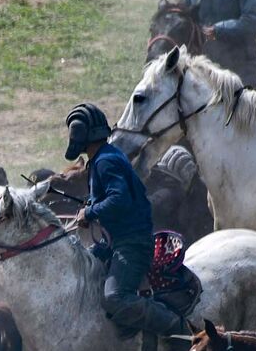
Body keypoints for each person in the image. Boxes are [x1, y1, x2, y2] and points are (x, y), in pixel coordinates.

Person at [66, 103, 182, 338]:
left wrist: (90, 213)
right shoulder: (105, 156)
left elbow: (119, 199)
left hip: (131, 244)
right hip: (117, 242)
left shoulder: (104, 161)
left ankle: (175, 327)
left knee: (114, 298)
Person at [185, 0, 256, 86]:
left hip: (240, 69)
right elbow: (188, 16)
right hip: (201, 69)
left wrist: (218, 30)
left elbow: (254, 21)